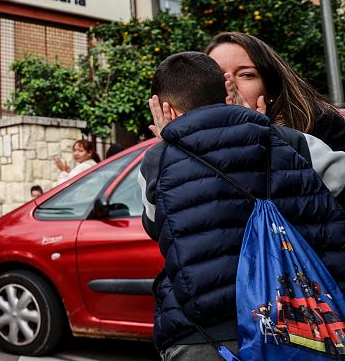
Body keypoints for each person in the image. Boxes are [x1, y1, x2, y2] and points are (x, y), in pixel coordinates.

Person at [140, 52, 345, 360]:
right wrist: (257, 126)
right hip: (300, 321)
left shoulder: (158, 161)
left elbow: (157, 225)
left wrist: (168, 141)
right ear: (227, 92)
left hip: (205, 335)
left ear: (165, 108)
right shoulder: (292, 142)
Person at [204, 32, 345, 151]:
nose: (229, 84)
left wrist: (258, 137)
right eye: (218, 75)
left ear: (271, 89)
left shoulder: (322, 124)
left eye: (246, 75)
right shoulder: (189, 140)